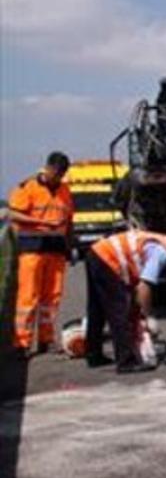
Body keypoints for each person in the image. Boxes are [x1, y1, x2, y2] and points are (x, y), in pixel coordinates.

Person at [84, 228, 166, 373]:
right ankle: (126, 361)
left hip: (96, 252)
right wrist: (148, 316)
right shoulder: (162, 252)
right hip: (107, 258)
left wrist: (137, 312)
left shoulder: (157, 240)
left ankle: (94, 355)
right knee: (118, 312)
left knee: (97, 308)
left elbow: (135, 286)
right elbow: (144, 286)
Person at [7, 152, 74, 358]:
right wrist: (42, 223)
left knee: (51, 298)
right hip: (32, 248)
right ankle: (22, 342)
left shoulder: (64, 190)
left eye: (62, 175)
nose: (58, 178)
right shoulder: (27, 187)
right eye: (56, 173)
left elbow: (69, 220)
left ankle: (46, 338)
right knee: (28, 297)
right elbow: (11, 213)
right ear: (48, 168)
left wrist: (70, 246)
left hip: (56, 249)